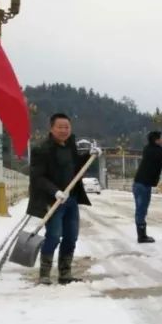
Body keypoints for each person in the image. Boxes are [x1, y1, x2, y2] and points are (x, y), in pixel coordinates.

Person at [26, 112, 92, 284]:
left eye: (67, 127)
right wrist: (55, 191)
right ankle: (45, 275)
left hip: (71, 200)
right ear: (52, 128)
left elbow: (78, 167)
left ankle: (65, 273)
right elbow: (37, 177)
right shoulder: (42, 149)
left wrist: (91, 155)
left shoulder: (71, 147)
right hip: (53, 201)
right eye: (60, 127)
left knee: (71, 237)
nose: (64, 130)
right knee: (54, 236)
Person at [133, 130, 162, 243]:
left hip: (142, 183)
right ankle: (141, 236)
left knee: (142, 209)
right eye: (161, 138)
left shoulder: (149, 149)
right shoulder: (154, 151)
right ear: (156, 140)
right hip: (142, 184)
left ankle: (142, 235)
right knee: (141, 210)